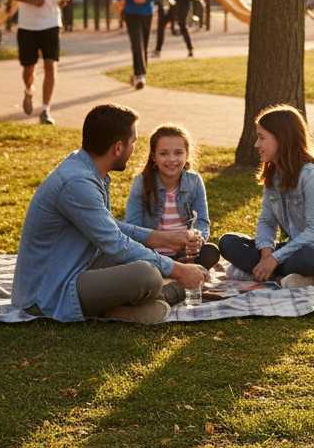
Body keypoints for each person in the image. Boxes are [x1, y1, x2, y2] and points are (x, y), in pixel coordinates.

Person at [11, 104, 205, 323]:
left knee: (144, 260)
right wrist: (178, 271)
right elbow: (115, 243)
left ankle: (123, 307)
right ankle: (163, 294)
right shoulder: (77, 182)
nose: (134, 149)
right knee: (147, 275)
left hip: (79, 264)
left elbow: (108, 226)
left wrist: (160, 238)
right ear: (118, 148)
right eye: (134, 142)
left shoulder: (87, 170)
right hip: (50, 291)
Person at [218, 105, 314, 287]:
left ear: (281, 139)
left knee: (309, 255)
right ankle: (282, 276)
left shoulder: (311, 176)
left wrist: (275, 258)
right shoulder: (273, 175)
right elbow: (267, 221)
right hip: (294, 250)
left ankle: (268, 272)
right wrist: (267, 255)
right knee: (228, 242)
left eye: (261, 138)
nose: (256, 144)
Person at [125, 123, 221, 302]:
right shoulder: (141, 183)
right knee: (137, 266)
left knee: (211, 252)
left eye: (178, 153)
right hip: (152, 255)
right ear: (153, 156)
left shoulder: (194, 182)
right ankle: (178, 276)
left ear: (187, 154)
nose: (172, 159)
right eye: (164, 153)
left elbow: (202, 221)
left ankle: (179, 273)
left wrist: (198, 240)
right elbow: (132, 227)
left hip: (184, 255)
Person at [7, 0, 70, 125]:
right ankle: (28, 90)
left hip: (51, 22)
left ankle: (45, 110)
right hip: (28, 25)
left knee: (50, 65)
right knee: (29, 68)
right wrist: (31, 0)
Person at [112, 0, 166, 89]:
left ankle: (139, 73)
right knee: (136, 43)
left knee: (144, 44)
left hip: (146, 12)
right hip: (131, 12)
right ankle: (140, 74)